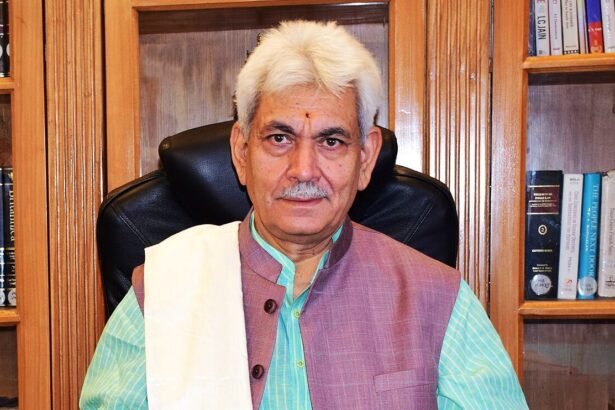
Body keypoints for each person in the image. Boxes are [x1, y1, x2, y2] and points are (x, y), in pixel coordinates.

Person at [80, 20, 528, 409]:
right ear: (241, 152)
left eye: (331, 141)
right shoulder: (164, 290)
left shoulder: (439, 299)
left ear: (366, 158)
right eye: (279, 138)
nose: (304, 170)